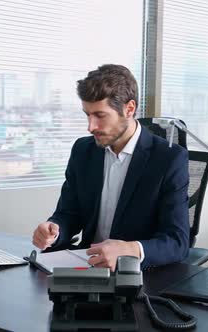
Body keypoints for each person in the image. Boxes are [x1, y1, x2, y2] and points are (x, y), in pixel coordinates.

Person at [32, 64, 189, 271]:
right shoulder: (83, 150)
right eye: (87, 115)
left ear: (129, 108)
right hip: (87, 268)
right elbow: (70, 213)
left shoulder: (168, 159)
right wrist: (54, 230)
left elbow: (177, 241)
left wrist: (129, 250)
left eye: (100, 115)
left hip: (138, 278)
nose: (91, 126)